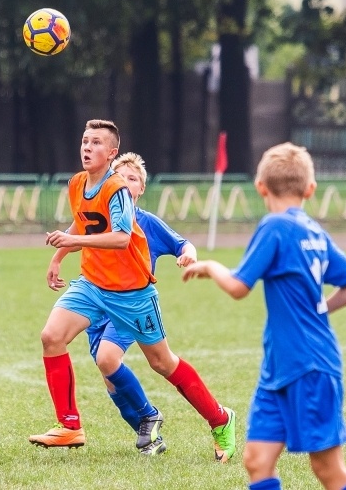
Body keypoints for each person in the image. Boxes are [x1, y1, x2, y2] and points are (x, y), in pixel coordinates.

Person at [28, 119, 236, 463]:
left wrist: (72, 241)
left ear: (111, 154)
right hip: (92, 285)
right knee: (51, 336)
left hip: (132, 296)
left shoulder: (118, 191)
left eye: (95, 142)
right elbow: (82, 222)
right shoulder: (77, 184)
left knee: (163, 363)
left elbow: (121, 237)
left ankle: (220, 419)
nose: (86, 147)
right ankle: (70, 425)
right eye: (84, 140)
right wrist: (58, 256)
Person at [182, 142, 346, 490]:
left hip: (310, 366)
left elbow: (239, 286)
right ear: (310, 189)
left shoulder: (275, 226)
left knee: (328, 469)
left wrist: (209, 265)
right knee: (257, 460)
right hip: (280, 367)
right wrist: (320, 309)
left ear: (260, 187)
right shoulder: (314, 230)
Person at [47, 151, 198, 455]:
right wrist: (58, 257)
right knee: (111, 382)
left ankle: (151, 415)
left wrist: (189, 254)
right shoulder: (98, 212)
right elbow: (76, 228)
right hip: (96, 301)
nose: (126, 183)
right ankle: (149, 436)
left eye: (133, 179)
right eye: (121, 177)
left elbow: (182, 242)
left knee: (110, 359)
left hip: (130, 304)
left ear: (141, 189)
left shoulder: (146, 223)